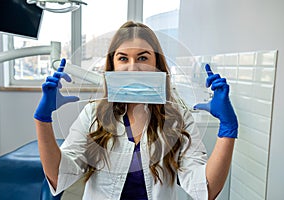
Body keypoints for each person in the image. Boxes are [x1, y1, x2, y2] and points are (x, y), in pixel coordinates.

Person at [34, 21, 238, 200]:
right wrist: (43, 120)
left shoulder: (178, 118)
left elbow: (206, 189)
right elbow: (59, 175)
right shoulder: (93, 115)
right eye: (123, 58)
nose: (133, 67)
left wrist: (227, 129)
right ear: (112, 66)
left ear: (157, 65)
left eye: (142, 58)